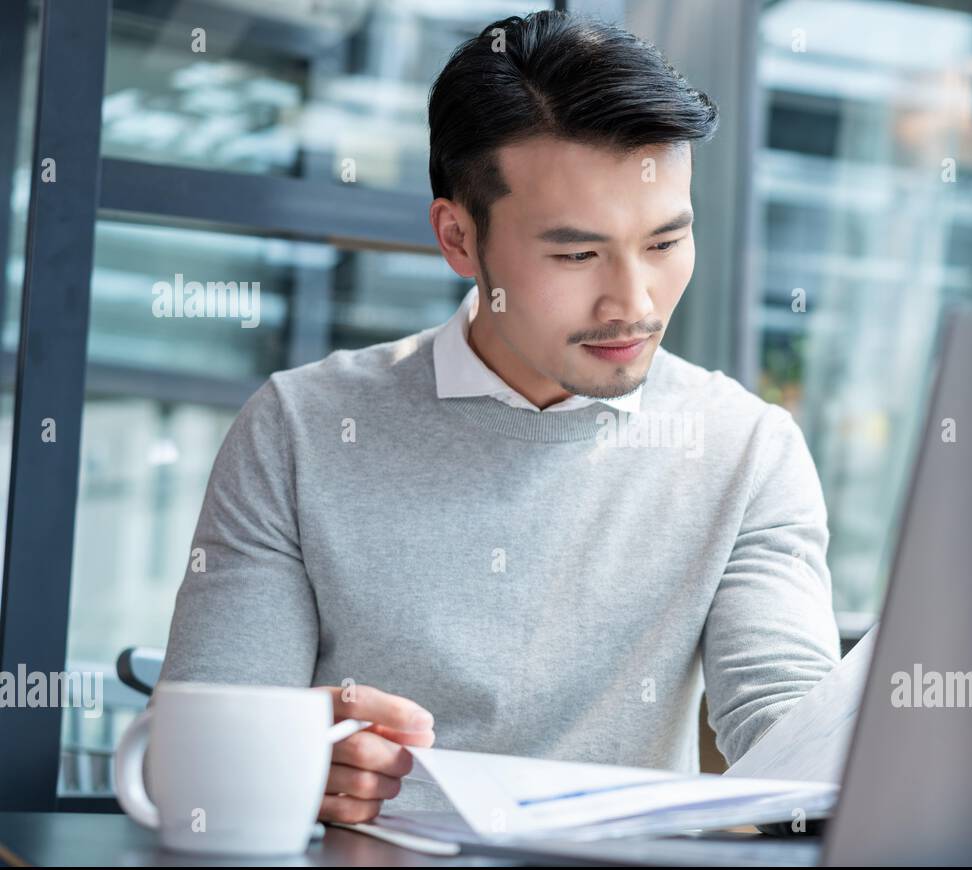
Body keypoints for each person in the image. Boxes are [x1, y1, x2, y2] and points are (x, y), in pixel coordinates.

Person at [159, 9, 841, 826]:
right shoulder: (298, 429)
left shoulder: (746, 450)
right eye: (577, 254)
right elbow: (200, 768)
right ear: (457, 237)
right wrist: (290, 759)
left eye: (665, 242)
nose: (635, 302)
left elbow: (792, 730)